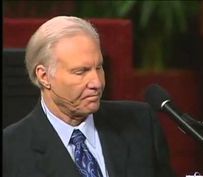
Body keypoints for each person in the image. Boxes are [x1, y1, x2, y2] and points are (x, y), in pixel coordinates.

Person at [3, 16, 176, 177]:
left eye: (99, 68)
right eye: (81, 72)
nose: (97, 83)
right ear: (44, 76)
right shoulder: (11, 149)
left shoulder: (140, 123)